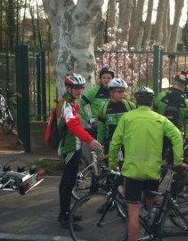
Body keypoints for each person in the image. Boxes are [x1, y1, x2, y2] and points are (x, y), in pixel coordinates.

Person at [108, 87, 184, 241]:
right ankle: (151, 235)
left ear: (136, 102)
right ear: (151, 103)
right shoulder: (160, 119)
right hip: (153, 172)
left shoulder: (127, 118)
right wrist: (178, 161)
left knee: (133, 213)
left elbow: (115, 143)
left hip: (132, 172)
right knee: (150, 204)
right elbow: (177, 136)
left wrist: (112, 164)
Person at [57, 74, 103, 229]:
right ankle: (64, 217)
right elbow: (74, 127)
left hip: (75, 147)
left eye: (81, 87)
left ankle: (66, 213)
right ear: (68, 88)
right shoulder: (66, 105)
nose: (79, 91)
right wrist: (91, 140)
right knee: (67, 183)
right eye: (76, 88)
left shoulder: (72, 103)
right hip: (70, 148)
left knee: (68, 182)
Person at [154, 72, 188, 163]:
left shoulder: (161, 96)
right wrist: (186, 138)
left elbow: (153, 115)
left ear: (174, 82)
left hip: (160, 132)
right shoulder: (187, 103)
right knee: (176, 161)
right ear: (185, 86)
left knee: (157, 159)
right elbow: (186, 124)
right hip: (176, 134)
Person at [97, 77, 135, 155]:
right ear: (111, 92)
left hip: (127, 144)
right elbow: (101, 130)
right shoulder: (104, 108)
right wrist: (99, 149)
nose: (123, 94)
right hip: (111, 144)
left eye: (123, 91)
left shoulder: (130, 106)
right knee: (110, 167)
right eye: (120, 92)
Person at [79, 66, 114, 137]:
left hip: (112, 128)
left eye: (109, 78)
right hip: (98, 129)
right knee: (99, 148)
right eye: (104, 77)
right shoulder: (94, 91)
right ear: (100, 79)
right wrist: (89, 120)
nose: (106, 80)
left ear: (112, 79)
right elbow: (79, 105)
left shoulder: (114, 92)